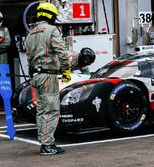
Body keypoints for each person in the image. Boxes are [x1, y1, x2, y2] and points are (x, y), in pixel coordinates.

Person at [26, 2, 95, 155]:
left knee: (42, 111)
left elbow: (29, 57)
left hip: (35, 76)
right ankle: (47, 145)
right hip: (48, 76)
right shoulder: (52, 30)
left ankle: (44, 141)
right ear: (50, 15)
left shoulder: (31, 33)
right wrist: (66, 70)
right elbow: (62, 53)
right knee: (51, 110)